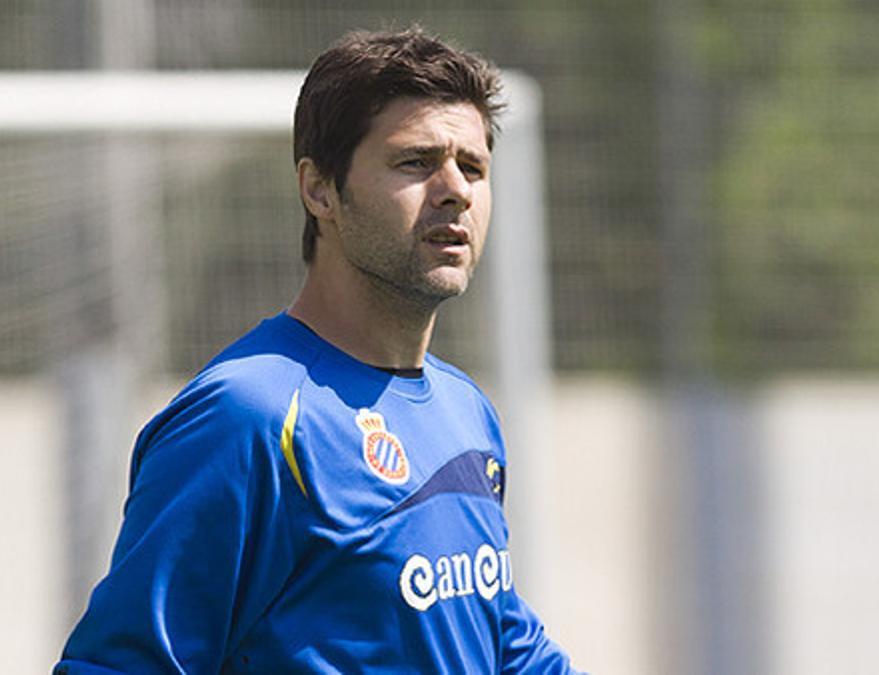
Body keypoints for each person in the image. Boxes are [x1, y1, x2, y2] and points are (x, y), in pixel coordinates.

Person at [56, 27, 580, 674]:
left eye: (472, 166)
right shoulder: (248, 417)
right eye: (415, 161)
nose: (455, 190)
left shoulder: (466, 409)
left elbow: (501, 639)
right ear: (320, 190)